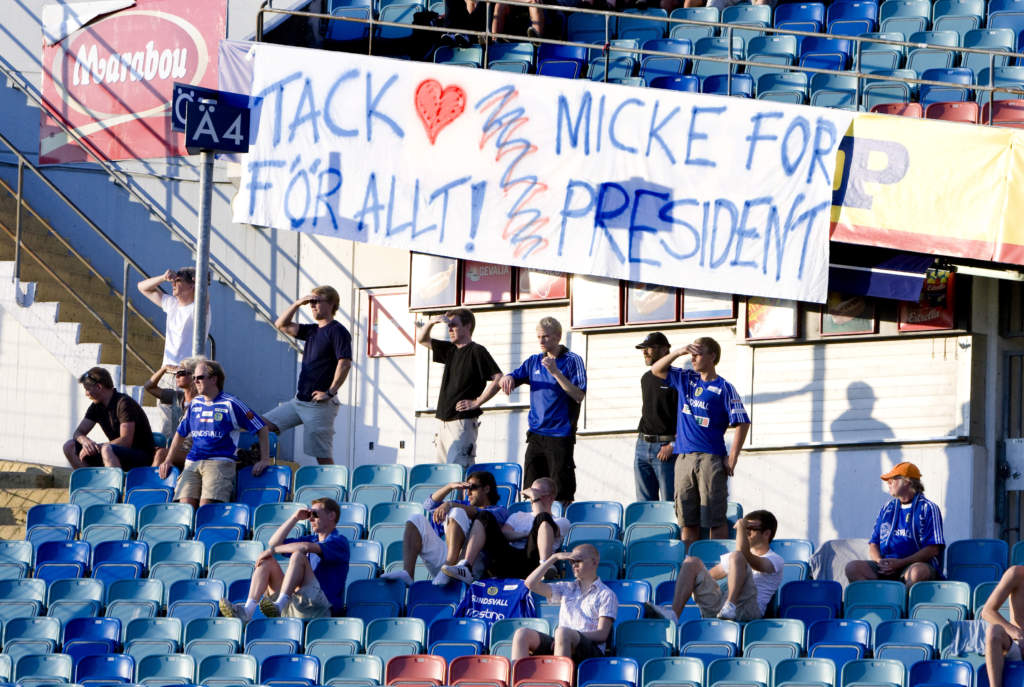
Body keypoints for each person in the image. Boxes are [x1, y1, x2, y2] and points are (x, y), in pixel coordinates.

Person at [652, 337, 750, 546]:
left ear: (712, 356)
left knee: (715, 518)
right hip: (684, 457)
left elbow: (742, 422)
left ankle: (716, 563)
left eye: (698, 353)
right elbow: (656, 369)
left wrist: (732, 458)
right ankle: (690, 563)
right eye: (692, 353)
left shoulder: (724, 387)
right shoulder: (686, 378)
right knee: (687, 519)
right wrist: (679, 351)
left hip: (710, 458)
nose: (693, 357)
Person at [159, 359, 270, 508]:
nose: (195, 382)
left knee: (207, 509)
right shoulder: (195, 404)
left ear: (213, 379)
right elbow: (180, 433)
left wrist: (265, 459)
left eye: (200, 377)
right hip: (193, 462)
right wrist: (168, 460)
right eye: (194, 378)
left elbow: (261, 428)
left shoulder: (231, 403)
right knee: (184, 508)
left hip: (219, 462)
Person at [500, 317, 586, 505]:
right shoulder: (533, 361)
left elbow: (579, 395)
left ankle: (561, 528)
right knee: (531, 489)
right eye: (539, 337)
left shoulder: (573, 360)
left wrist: (556, 372)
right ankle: (532, 528)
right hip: (537, 434)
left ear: (557, 336)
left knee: (561, 492)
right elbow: (515, 376)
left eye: (545, 337)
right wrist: (507, 378)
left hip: (560, 434)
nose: (541, 341)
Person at [220, 497, 350, 622]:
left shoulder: (339, 541)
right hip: (297, 603)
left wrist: (272, 550)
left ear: (331, 516)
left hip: (319, 607)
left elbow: (303, 547)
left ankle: (280, 604)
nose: (310, 519)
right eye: (309, 515)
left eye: (314, 514)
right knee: (267, 561)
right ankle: (248, 611)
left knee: (298, 555)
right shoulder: (312, 538)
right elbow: (274, 543)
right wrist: (295, 518)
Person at [263, 286, 352, 465]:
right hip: (299, 401)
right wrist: (297, 304)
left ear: (332, 304)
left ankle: (332, 492)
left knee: (322, 455)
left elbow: (345, 362)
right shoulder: (312, 330)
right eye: (310, 302)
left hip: (319, 404)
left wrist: (330, 392)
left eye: (316, 301)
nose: (312, 305)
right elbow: (281, 324)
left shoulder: (337, 331)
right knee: (262, 425)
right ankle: (263, 461)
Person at [381, 471, 508, 586]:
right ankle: (408, 573)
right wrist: (449, 487)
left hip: (471, 565)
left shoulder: (500, 510)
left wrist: (450, 504)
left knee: (456, 511)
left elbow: (482, 514)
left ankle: (449, 567)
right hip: (445, 559)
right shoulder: (463, 504)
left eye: (472, 488)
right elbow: (428, 505)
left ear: (486, 489)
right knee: (416, 519)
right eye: (465, 488)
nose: (467, 492)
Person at [441, 477, 569, 584]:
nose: (531, 497)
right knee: (484, 515)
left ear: (551, 498)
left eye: (536, 494)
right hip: (508, 559)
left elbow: (543, 520)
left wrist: (535, 499)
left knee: (543, 517)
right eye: (530, 493)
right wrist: (526, 534)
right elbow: (505, 534)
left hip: (533, 563)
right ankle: (466, 566)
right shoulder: (518, 515)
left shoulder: (561, 521)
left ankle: (544, 566)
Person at [416, 308, 502, 468]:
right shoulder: (450, 350)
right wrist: (431, 322)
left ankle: (463, 495)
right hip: (443, 420)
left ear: (468, 326)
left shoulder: (477, 351)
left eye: (454, 325)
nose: (450, 329)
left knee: (459, 470)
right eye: (448, 326)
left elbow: (498, 378)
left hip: (462, 422)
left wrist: (477, 402)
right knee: (443, 472)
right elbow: (421, 339)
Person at [665, 510, 784, 622]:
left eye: (751, 529)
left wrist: (741, 528)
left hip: (749, 609)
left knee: (738, 556)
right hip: (720, 606)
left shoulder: (775, 560)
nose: (746, 532)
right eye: (745, 529)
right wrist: (695, 582)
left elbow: (744, 554)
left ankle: (730, 605)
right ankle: (673, 615)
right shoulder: (735, 558)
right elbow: (709, 576)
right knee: (691, 563)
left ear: (766, 533)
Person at [510, 543, 618, 662]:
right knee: (522, 634)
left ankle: (559, 680)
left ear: (594, 562)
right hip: (561, 642)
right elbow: (530, 584)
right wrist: (553, 558)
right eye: (572, 562)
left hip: (590, 649)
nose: (574, 565)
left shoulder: (606, 594)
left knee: (562, 632)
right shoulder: (566, 587)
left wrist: (570, 635)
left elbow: (602, 635)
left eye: (579, 561)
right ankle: (519, 678)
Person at [845, 461, 945, 586]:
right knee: (853, 568)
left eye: (893, 479)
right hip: (886, 567)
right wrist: (879, 561)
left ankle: (903, 604)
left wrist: (900, 563)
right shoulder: (887, 508)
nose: (889, 482)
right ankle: (880, 603)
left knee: (917, 572)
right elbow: (873, 543)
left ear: (908, 481)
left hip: (913, 566)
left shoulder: (928, 508)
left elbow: (933, 549)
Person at [63, 367, 156, 471]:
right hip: (112, 453)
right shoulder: (96, 406)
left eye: (87, 389)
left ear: (99, 387)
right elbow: (78, 432)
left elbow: (126, 441)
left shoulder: (124, 403)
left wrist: (97, 447)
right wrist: (85, 442)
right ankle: (92, 484)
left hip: (140, 456)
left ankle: (113, 486)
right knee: (69, 446)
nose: (86, 394)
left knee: (106, 449)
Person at [634, 332, 679, 502]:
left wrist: (673, 443)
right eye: (643, 349)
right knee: (644, 504)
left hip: (665, 448)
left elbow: (687, 416)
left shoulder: (677, 379)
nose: (645, 352)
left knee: (669, 502)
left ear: (665, 350)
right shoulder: (646, 378)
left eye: (650, 348)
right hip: (642, 445)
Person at [138, 267, 207, 365]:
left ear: (192, 286)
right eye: (173, 281)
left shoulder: (199, 309)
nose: (173, 284)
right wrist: (163, 277)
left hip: (187, 373)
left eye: (178, 281)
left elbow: (204, 298)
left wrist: (201, 282)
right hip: (167, 370)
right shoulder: (171, 303)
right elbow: (142, 287)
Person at [143, 356, 202, 467]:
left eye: (182, 372)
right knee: (152, 451)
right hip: (178, 450)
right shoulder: (177, 397)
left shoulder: (203, 401)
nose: (177, 376)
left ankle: (153, 484)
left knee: (161, 454)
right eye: (176, 373)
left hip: (196, 452)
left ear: (195, 376)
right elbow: (149, 387)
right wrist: (164, 369)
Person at [983, 566, 1024, 687]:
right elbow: (987, 611)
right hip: (1018, 644)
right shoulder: (1016, 573)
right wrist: (1017, 633)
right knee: (993, 632)